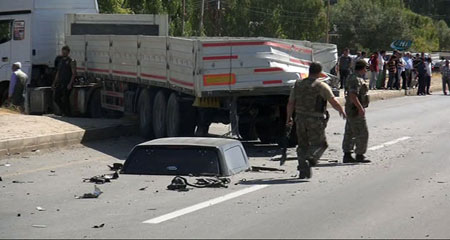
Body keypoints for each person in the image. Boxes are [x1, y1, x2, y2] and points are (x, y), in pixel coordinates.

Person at [287, 62, 346, 179]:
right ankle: (311, 159)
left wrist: (289, 117)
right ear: (319, 73)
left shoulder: (298, 84)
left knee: (302, 144)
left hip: (300, 118)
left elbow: (291, 103)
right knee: (321, 144)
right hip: (315, 119)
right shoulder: (320, 86)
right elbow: (333, 101)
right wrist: (341, 111)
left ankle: (303, 169)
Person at [342, 60, 371, 163]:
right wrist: (360, 108)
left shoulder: (353, 77)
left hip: (351, 108)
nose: (366, 71)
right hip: (354, 109)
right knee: (362, 132)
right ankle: (359, 154)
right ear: (362, 68)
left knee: (350, 132)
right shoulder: (355, 79)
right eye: (366, 68)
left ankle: (347, 154)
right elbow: (353, 95)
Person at [52, 45, 76, 116]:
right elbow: (58, 73)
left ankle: (68, 113)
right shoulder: (61, 61)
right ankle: (63, 111)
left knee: (66, 98)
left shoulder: (71, 61)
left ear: (68, 52)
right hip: (60, 82)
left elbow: (74, 73)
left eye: (65, 52)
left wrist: (70, 84)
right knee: (56, 98)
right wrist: (54, 83)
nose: (63, 53)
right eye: (63, 52)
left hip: (67, 82)